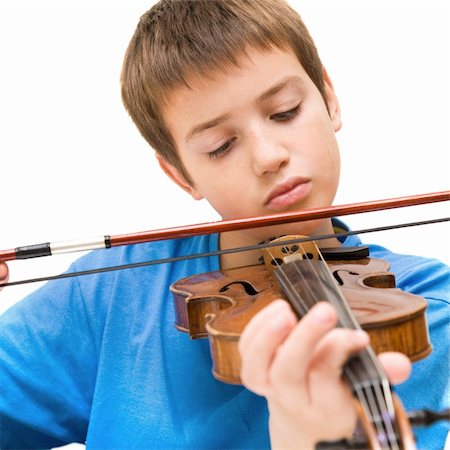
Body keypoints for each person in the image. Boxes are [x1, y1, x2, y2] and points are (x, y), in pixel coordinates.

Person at [0, 0, 448, 449]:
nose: (269, 156)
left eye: (285, 111)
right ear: (180, 173)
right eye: (220, 146)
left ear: (328, 97)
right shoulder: (109, 291)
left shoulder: (422, 306)